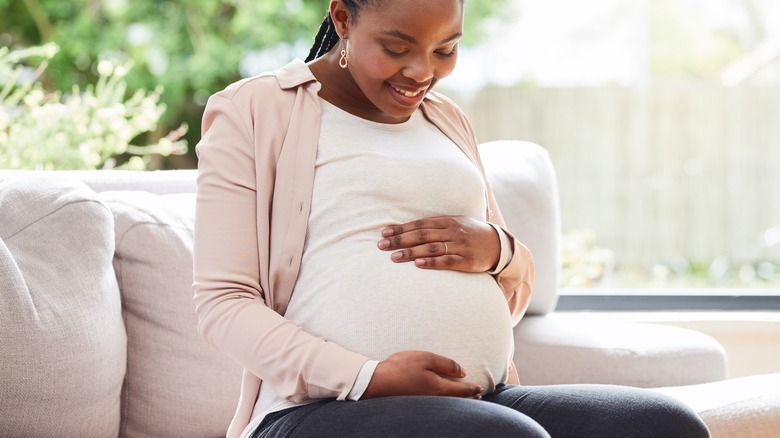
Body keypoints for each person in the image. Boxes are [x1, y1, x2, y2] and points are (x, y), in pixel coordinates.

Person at [193, 0, 710, 437]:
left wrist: (497, 250)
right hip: (315, 410)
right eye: (396, 48)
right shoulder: (255, 110)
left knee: (664, 425)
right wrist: (367, 377)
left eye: (446, 49)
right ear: (343, 20)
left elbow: (515, 286)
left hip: (485, 399)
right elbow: (223, 304)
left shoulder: (446, 120)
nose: (422, 72)